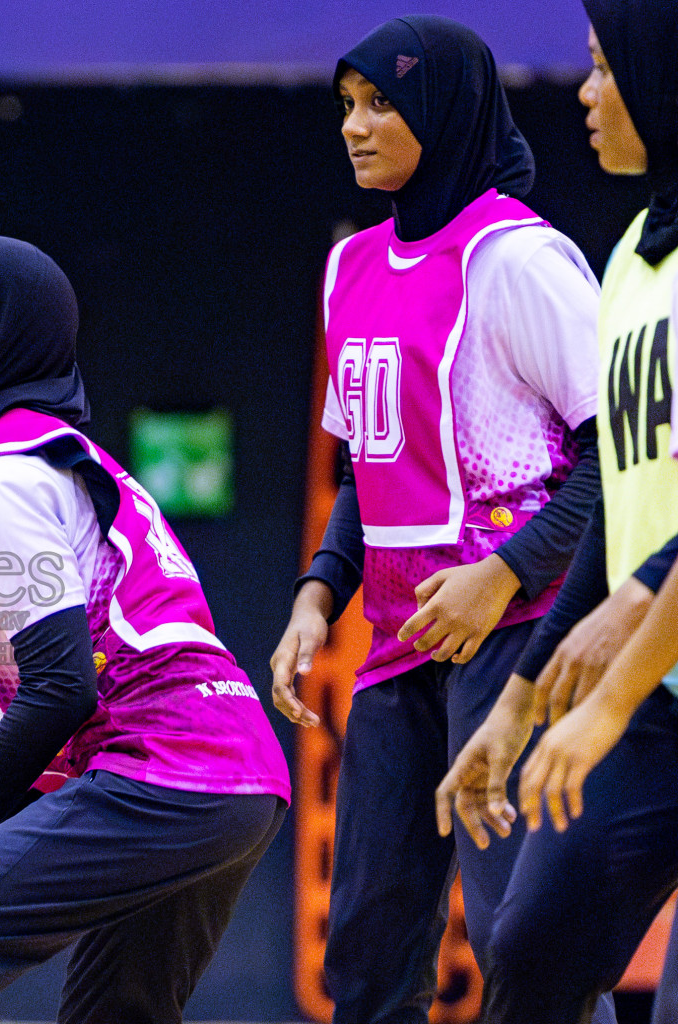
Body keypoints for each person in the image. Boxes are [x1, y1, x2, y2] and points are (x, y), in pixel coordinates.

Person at [0, 236, 290, 1024]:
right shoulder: (59, 457)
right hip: (238, 776)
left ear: (16, 337)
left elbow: (59, 692)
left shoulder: (4, 478)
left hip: (168, 770)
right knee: (114, 1014)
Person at [266, 16, 607, 1024]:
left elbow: (620, 463)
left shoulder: (520, 261)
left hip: (519, 638)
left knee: (522, 939)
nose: (355, 128)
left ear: (446, 112)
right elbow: (370, 471)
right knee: (366, 946)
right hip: (400, 644)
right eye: (346, 107)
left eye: (381, 104)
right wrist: (315, 597)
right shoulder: (349, 268)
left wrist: (503, 571)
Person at [435, 3, 678, 1019]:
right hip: (657, 690)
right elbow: (621, 511)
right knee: (527, 946)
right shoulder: (630, 255)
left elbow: (642, 566)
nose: (584, 93)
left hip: (645, 673)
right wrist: (518, 701)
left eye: (603, 67)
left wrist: (614, 680)